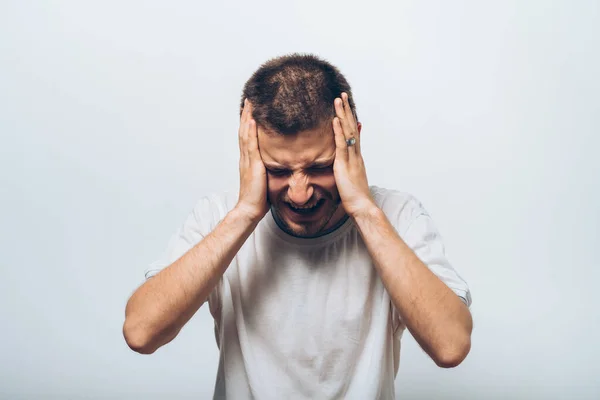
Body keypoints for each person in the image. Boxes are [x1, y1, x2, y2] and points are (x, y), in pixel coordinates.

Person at [123, 53, 473, 399]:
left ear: (351, 140)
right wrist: (245, 212)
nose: (300, 193)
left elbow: (451, 345)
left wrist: (364, 209)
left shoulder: (396, 216)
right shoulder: (220, 216)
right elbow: (141, 333)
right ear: (251, 151)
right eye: (278, 171)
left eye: (320, 167)